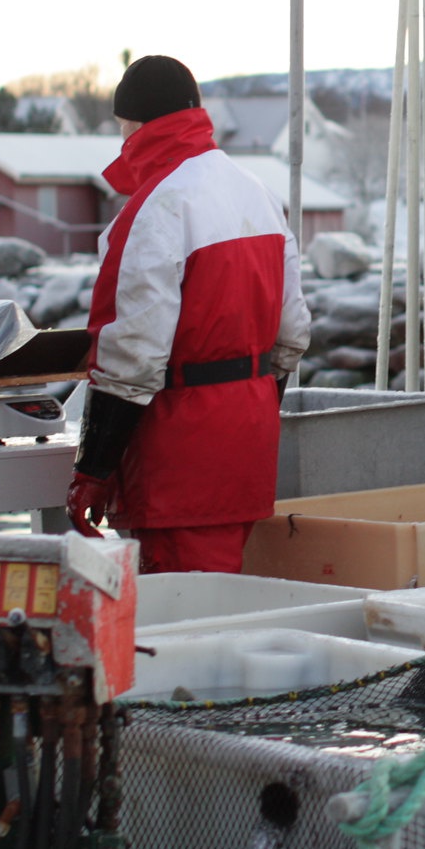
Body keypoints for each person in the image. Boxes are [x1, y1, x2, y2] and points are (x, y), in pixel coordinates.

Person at [65, 55, 312, 573]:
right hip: (248, 435)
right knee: (228, 598)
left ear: (132, 123)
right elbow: (292, 334)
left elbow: (132, 354)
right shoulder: (256, 192)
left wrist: (94, 467)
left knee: (184, 612)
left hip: (179, 451)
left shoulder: (157, 205)